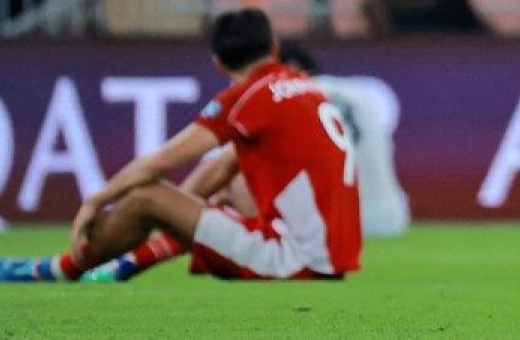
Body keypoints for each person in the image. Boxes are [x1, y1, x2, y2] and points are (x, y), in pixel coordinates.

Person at [0, 9, 362, 283]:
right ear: (274, 47)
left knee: (146, 197)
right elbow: (225, 164)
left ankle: (63, 268)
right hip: (333, 254)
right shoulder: (301, 85)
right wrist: (183, 210)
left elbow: (158, 163)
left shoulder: (247, 99)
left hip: (293, 258)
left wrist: (95, 201)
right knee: (227, 183)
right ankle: (129, 263)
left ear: (217, 63)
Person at [75, 39, 408, 283]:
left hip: (324, 235)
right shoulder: (356, 95)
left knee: (234, 183)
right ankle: (144, 254)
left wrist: (180, 210)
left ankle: (145, 252)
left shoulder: (285, 97)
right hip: (385, 221)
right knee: (241, 193)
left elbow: (218, 166)